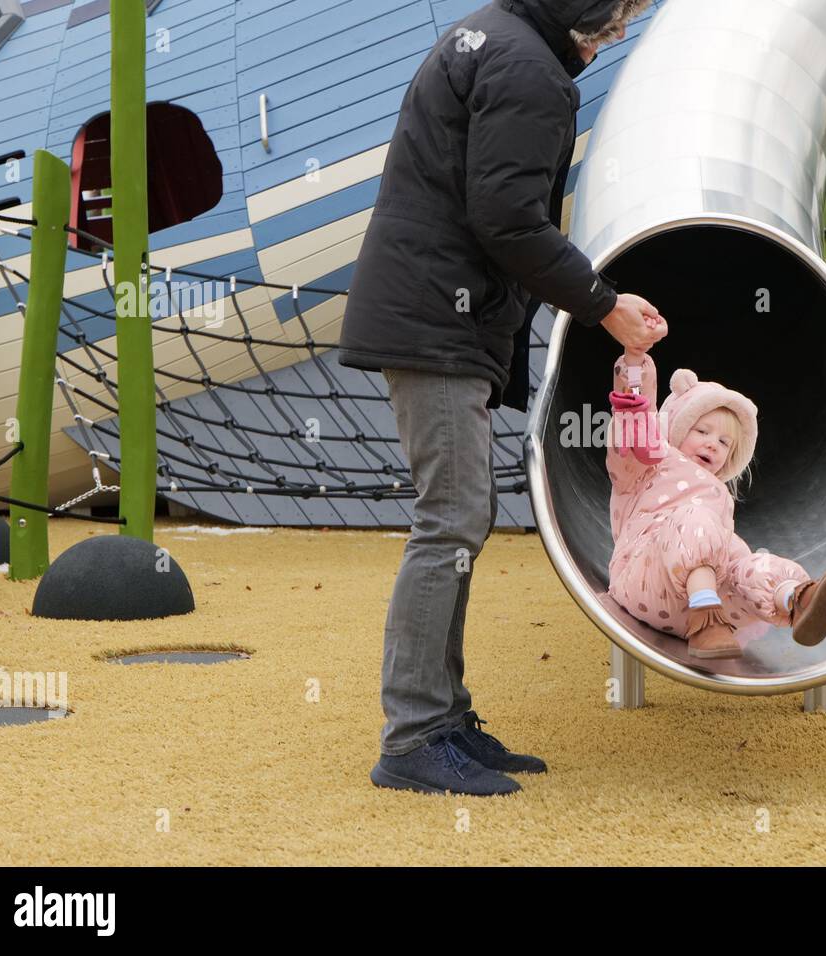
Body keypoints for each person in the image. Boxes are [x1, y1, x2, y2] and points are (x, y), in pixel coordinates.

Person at [338, 0, 661, 797]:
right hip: (434, 321)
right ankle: (413, 735)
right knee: (450, 518)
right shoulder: (528, 68)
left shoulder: (491, 34)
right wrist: (602, 302)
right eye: (621, 11)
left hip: (430, 310)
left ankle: (443, 718)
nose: (621, 29)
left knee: (459, 517)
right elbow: (508, 220)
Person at [606, 346, 826, 660]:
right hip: (645, 580)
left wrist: (745, 569)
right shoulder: (650, 466)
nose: (713, 443)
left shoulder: (719, 495)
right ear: (674, 429)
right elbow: (632, 420)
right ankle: (705, 617)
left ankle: (798, 600)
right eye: (702, 431)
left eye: (724, 442)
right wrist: (634, 360)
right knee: (695, 519)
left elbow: (722, 552)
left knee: (747, 563)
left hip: (705, 603)